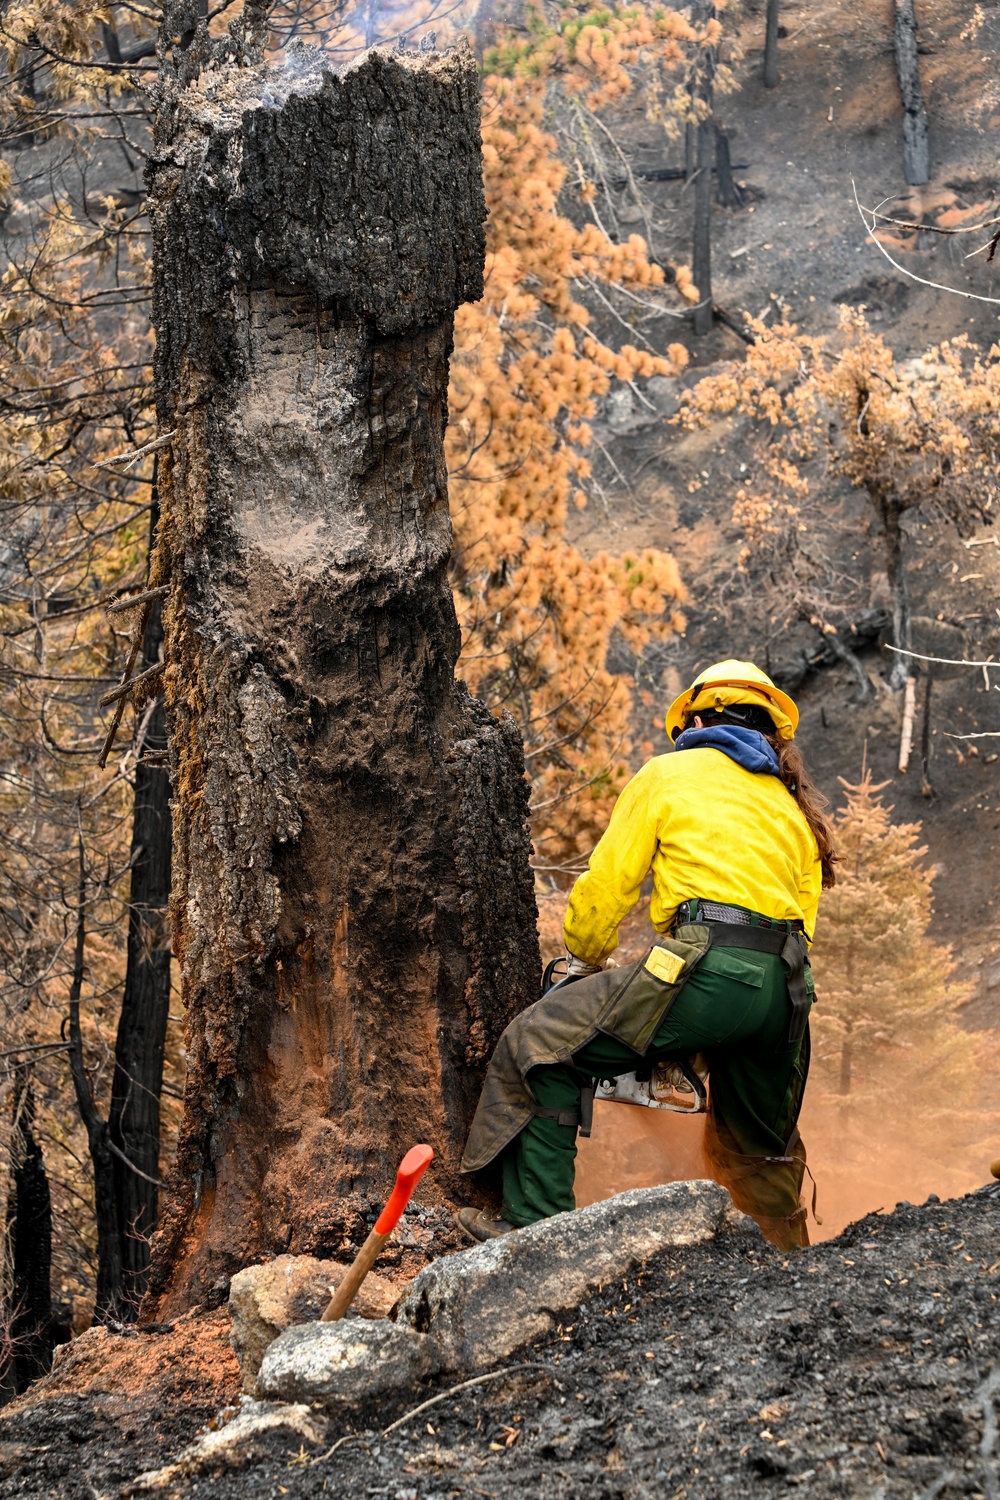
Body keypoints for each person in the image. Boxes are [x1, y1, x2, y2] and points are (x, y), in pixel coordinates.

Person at [457, 660, 838, 1250]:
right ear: (769, 729)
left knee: (538, 1049)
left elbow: (610, 884)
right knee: (759, 1150)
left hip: (707, 966)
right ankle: (792, 1272)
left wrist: (584, 958)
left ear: (696, 719)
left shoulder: (668, 774)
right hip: (786, 995)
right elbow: (802, 924)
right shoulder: (791, 808)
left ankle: (534, 1234)